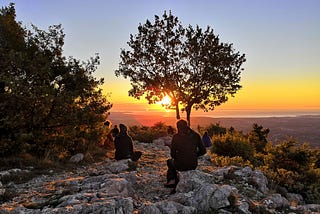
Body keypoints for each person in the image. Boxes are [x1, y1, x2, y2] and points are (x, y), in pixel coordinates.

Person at [165, 119, 206, 188]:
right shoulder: (196, 135)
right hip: (193, 165)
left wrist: (178, 157)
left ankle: (172, 180)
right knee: (174, 161)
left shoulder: (176, 137)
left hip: (180, 165)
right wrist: (194, 155)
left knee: (169, 161)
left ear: (178, 127)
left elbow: (173, 154)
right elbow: (203, 151)